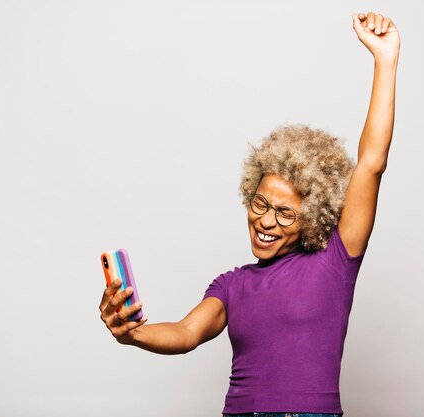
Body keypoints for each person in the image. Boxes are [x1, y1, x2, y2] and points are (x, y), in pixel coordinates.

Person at [99, 11, 400, 417]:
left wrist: (385, 59)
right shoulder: (231, 285)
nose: (266, 221)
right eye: (260, 204)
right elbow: (186, 333)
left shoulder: (335, 260)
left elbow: (371, 163)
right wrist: (132, 334)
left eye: (284, 213)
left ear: (313, 218)